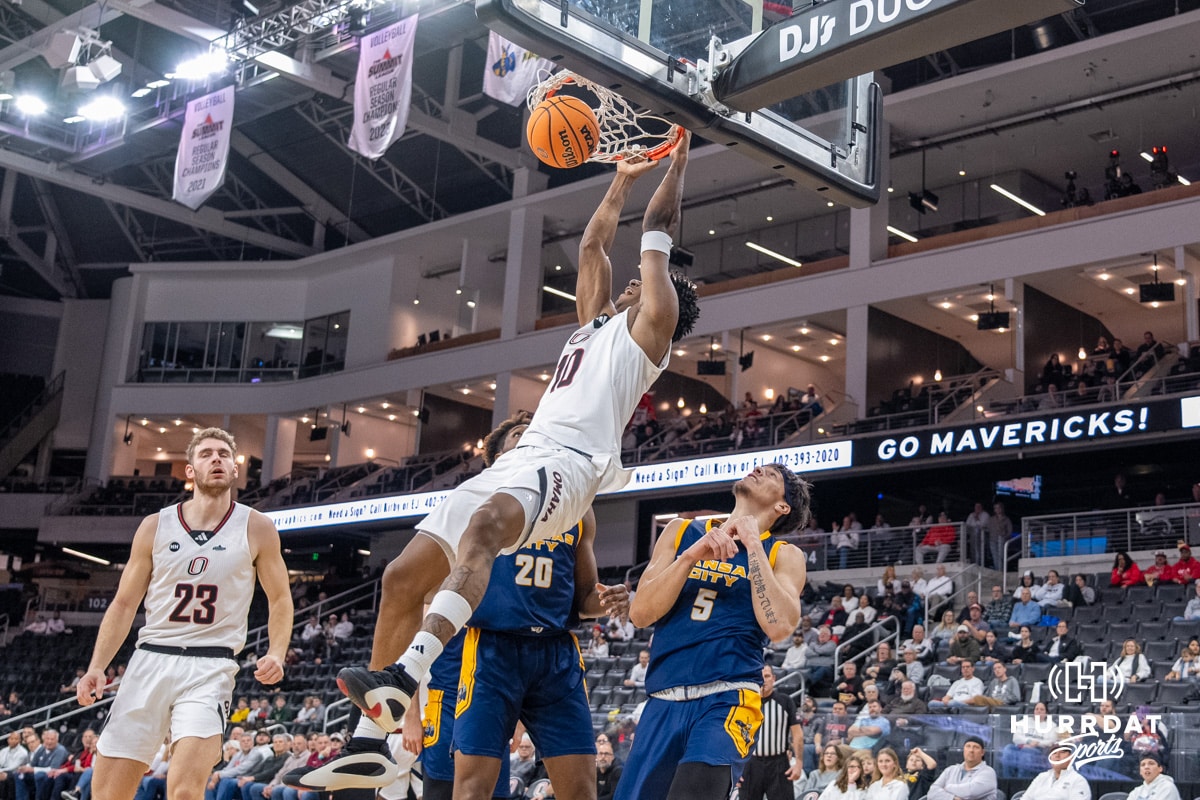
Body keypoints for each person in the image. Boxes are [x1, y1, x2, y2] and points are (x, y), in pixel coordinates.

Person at [323, 139, 700, 764]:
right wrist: (622, 179)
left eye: (646, 280)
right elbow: (592, 247)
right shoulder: (594, 325)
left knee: (486, 526)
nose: (635, 281)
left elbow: (656, 230)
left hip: (573, 463)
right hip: (522, 459)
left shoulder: (651, 331)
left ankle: (407, 674)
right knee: (399, 578)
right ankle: (371, 740)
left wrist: (678, 165)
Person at [75, 429, 292, 800]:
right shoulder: (155, 525)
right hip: (150, 661)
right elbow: (124, 603)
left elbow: (280, 598)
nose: (218, 459)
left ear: (235, 469)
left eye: (225, 454)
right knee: (109, 794)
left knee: (186, 792)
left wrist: (276, 651)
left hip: (210, 667)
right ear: (190, 470)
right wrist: (98, 665)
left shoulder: (257, 526)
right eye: (207, 454)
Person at [613, 464, 809, 800]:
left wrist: (753, 544)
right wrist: (691, 556)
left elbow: (779, 626)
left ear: (782, 507)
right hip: (663, 699)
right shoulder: (680, 531)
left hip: (729, 696)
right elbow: (641, 613)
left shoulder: (784, 554)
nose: (758, 468)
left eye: (772, 476)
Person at [739, 666, 802, 800]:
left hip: (778, 763)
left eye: (767, 676)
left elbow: (798, 734)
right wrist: (733, 767)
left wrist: (799, 763)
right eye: (760, 677)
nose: (763, 681)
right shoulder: (744, 703)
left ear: (773, 678)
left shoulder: (785, 701)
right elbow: (732, 736)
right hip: (750, 764)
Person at [926, 737, 996, 800]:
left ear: (982, 752)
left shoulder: (988, 772)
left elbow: (970, 792)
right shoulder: (950, 770)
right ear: (964, 750)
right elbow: (932, 793)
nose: (971, 750)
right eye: (968, 746)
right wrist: (952, 798)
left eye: (976, 747)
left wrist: (947, 788)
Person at [13, 729, 68, 800]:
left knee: (39, 775)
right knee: (18, 774)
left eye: (52, 739)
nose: (49, 741)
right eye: (47, 739)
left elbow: (53, 769)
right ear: (44, 739)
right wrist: (23, 768)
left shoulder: (60, 750)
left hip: (51, 776)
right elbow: (32, 764)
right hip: (36, 774)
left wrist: (32, 769)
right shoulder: (42, 748)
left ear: (57, 740)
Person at [1023, 745, 1090, 800]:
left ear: (1070, 758)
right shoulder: (1041, 777)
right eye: (1054, 753)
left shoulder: (1078, 780)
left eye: (1062, 752)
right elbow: (1025, 798)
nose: (1057, 755)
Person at [0, 730, 30, 800]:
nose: (13, 741)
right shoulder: (3, 750)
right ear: (8, 740)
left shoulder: (23, 752)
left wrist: (0, 771)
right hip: (2, 770)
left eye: (15, 739)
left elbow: (13, 767)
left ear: (19, 740)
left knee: (6, 776)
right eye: (11, 738)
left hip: (16, 772)